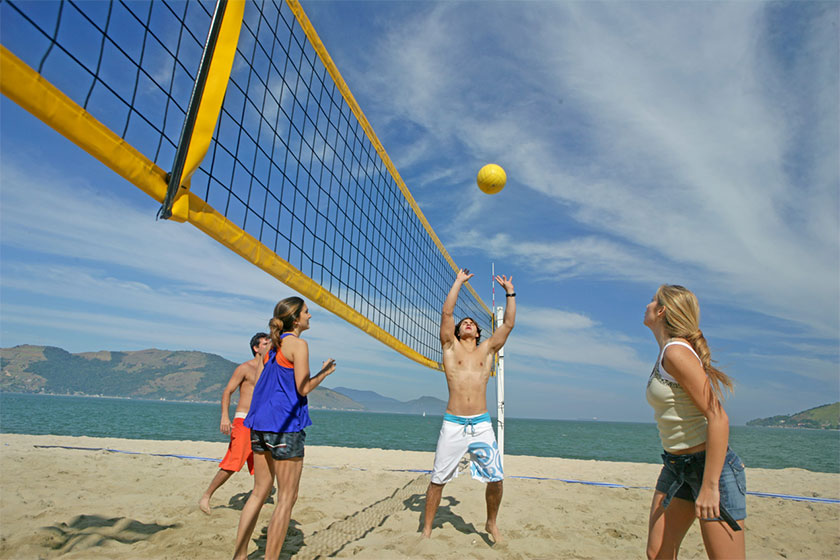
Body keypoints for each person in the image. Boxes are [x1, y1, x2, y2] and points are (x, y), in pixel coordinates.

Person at [643, 284, 746, 560]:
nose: (647, 305)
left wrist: (711, 486)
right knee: (658, 553)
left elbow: (718, 417)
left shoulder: (676, 352)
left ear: (662, 311)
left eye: (653, 301)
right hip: (676, 466)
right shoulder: (667, 351)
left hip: (710, 469)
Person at [232, 297, 336, 560]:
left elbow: (267, 384)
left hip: (259, 424)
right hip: (285, 427)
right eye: (306, 312)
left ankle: (240, 555)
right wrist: (324, 373)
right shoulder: (298, 345)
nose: (310, 316)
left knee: (259, 492)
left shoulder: (269, 348)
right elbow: (302, 388)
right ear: (296, 318)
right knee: (286, 498)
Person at [422, 269, 515, 543]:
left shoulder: (487, 351)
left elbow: (508, 324)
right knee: (438, 479)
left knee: (496, 479)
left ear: (478, 331)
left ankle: (491, 523)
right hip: (454, 423)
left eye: (472, 322)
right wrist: (458, 282)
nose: (468, 323)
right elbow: (447, 314)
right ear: (457, 330)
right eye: (464, 322)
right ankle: (426, 530)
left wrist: (510, 291)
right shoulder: (450, 347)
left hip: (481, 424)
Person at [199, 332, 270, 514]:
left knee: (264, 465)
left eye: (269, 342)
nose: (268, 345)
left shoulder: (270, 369)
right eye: (264, 343)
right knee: (233, 462)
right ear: (256, 348)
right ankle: (207, 496)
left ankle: (257, 500)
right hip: (244, 419)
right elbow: (227, 392)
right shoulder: (245, 368)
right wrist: (225, 417)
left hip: (261, 421)